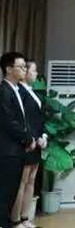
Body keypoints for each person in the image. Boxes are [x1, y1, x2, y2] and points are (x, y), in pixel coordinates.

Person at [0, 52, 35, 228]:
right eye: (20, 66)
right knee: (5, 194)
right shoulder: (4, 91)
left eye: (25, 67)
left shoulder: (16, 90)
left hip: (17, 150)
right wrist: (28, 139)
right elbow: (9, 122)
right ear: (8, 69)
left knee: (11, 194)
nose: (24, 70)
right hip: (8, 151)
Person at [12, 61, 46, 228]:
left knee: (31, 179)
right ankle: (16, 219)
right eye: (33, 70)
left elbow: (38, 119)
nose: (36, 73)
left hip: (37, 141)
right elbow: (22, 120)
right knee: (22, 181)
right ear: (24, 73)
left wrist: (43, 136)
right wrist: (31, 138)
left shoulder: (33, 93)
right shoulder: (19, 92)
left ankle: (26, 218)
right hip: (27, 142)